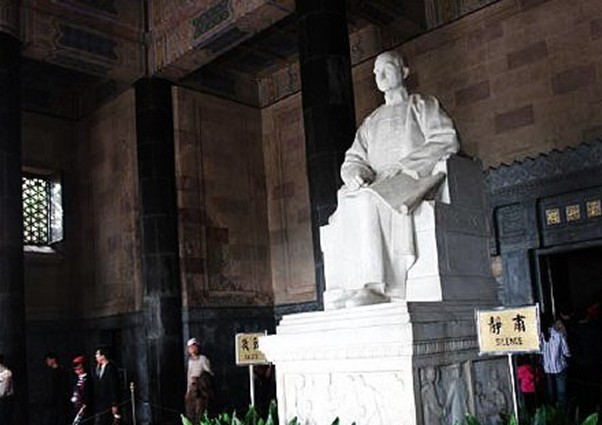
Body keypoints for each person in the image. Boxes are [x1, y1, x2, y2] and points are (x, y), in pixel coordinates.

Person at [321, 50, 459, 308]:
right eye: (376, 72)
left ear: (404, 71)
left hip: (412, 175)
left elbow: (445, 140)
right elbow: (353, 159)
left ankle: (376, 285)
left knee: (368, 200)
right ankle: (348, 286)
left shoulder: (423, 105)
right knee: (347, 198)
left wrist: (405, 166)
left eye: (386, 68)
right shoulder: (371, 121)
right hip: (377, 182)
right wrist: (355, 174)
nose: (380, 76)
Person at [541, 318, 570, 406]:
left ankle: (551, 410)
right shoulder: (559, 335)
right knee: (561, 393)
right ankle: (561, 410)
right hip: (559, 366)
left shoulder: (541, 335)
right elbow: (566, 352)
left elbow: (540, 351)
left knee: (550, 393)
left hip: (547, 368)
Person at [185, 338, 214, 423]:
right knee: (191, 411)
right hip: (192, 389)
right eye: (190, 347)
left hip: (201, 389)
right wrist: (188, 390)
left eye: (194, 347)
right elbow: (189, 375)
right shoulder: (190, 361)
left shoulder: (203, 359)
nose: (192, 349)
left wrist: (201, 380)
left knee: (200, 410)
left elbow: (209, 373)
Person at [92, 347, 121, 425]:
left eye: (97, 354)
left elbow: (113, 387)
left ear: (103, 356)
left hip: (108, 402)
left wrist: (114, 404)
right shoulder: (98, 368)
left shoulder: (110, 368)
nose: (96, 356)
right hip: (100, 403)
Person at [42, 352, 71, 425]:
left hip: (60, 403)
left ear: (53, 359)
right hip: (54, 403)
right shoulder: (52, 372)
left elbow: (62, 388)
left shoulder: (61, 372)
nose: (47, 362)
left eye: (48, 360)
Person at [70, 355, 92, 424]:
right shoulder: (76, 379)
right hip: (76, 407)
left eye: (79, 368)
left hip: (84, 408)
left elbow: (88, 395)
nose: (78, 371)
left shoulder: (88, 379)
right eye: (76, 369)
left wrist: (83, 407)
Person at [0, 354, 14, 425]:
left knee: (4, 419)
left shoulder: (6, 372)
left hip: (5, 399)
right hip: (4, 398)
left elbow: (6, 388)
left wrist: (3, 395)